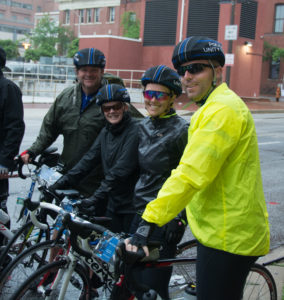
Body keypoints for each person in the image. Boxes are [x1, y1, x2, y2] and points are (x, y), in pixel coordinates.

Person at [126, 36, 270, 300]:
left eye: (196, 68)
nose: (187, 76)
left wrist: (149, 220)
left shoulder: (222, 110)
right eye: (183, 70)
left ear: (218, 71)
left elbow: (190, 173)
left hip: (229, 237)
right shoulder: (212, 106)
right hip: (222, 231)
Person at [21, 48, 142, 197]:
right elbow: (49, 130)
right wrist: (32, 151)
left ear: (102, 71)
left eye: (94, 70)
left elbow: (139, 125)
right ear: (76, 72)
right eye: (84, 70)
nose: (88, 74)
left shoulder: (113, 98)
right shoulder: (66, 97)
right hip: (68, 174)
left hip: (98, 182)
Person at [128, 65, 189, 300]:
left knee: (154, 287)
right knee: (132, 281)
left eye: (159, 95)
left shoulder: (183, 130)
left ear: (173, 97)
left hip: (165, 219)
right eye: (147, 94)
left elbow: (189, 178)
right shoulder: (143, 126)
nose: (152, 100)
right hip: (140, 213)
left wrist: (179, 217)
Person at [51, 83, 139, 233]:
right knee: (108, 252)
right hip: (113, 204)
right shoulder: (106, 131)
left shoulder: (135, 131)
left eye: (116, 107)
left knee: (129, 252)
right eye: (106, 108)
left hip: (132, 207)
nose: (111, 111)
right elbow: (89, 159)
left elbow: (120, 170)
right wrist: (60, 183)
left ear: (125, 107)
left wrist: (95, 197)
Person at [0, 47, 25, 239]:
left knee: (0, 212)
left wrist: (5, 161)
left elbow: (15, 128)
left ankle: (3, 250)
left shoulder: (8, 89)